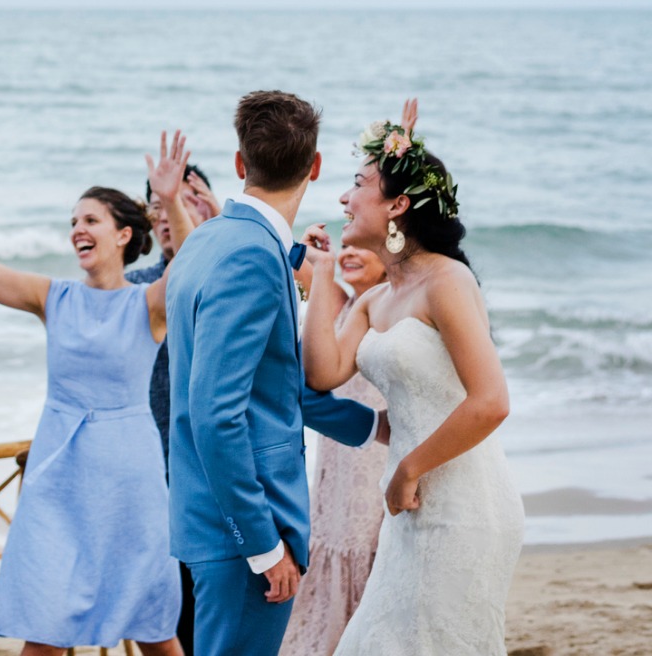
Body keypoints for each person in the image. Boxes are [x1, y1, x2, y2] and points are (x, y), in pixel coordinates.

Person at [0, 133, 194, 656]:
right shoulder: (52, 297)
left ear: (124, 234)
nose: (78, 229)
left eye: (90, 220)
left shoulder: (149, 304)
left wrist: (171, 200)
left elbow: (194, 266)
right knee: (47, 625)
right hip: (61, 475)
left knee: (153, 627)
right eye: (73, 222)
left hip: (131, 479)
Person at [164, 91, 384, 656]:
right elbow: (215, 416)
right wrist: (263, 546)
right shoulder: (252, 258)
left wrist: (368, 425)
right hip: (244, 530)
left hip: (208, 513)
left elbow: (271, 385)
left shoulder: (207, 241)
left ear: (241, 164)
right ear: (313, 167)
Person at [302, 101, 522, 655]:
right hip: (410, 511)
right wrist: (325, 272)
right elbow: (321, 373)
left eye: (358, 184)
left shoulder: (447, 281)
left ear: (398, 205)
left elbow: (491, 402)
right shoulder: (376, 298)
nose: (343, 199)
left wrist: (406, 468)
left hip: (463, 506)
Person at [278, 246, 389, 656]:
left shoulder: (389, 311)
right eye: (346, 244)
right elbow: (295, 263)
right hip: (338, 460)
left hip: (375, 454)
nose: (350, 252)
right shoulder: (344, 305)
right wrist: (309, 252)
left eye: (365, 246)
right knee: (332, 541)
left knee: (363, 550)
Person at [130, 162, 220, 656]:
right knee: (164, 612)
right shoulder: (133, 286)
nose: (170, 212)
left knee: (212, 611)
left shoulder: (222, 279)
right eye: (160, 203)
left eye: (186, 199)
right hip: (147, 471)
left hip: (211, 471)